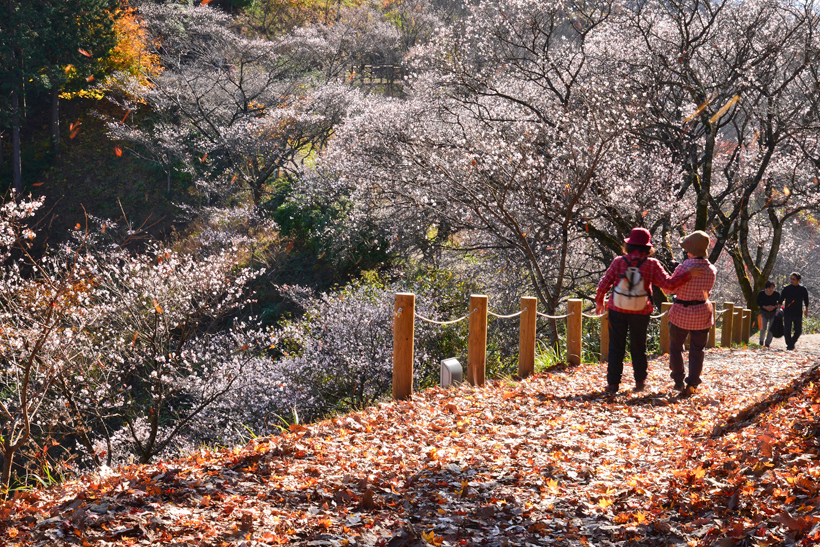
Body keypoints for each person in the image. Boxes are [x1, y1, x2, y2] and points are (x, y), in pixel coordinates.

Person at [595, 228, 694, 395]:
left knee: (615, 346)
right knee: (639, 346)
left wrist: (599, 302)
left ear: (628, 244)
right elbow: (668, 286)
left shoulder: (619, 261)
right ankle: (640, 382)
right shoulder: (652, 264)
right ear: (648, 247)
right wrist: (686, 275)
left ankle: (613, 385)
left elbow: (604, 283)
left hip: (617, 308)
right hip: (641, 310)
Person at [666, 231, 717, 397]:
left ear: (691, 250)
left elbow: (671, 288)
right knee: (697, 350)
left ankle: (678, 378)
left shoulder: (683, 268)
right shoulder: (712, 270)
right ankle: (693, 382)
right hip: (702, 313)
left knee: (676, 347)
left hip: (681, 312)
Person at [780, 272, 810, 351]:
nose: (791, 281)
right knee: (787, 330)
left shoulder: (803, 289)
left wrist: (806, 311)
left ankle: (791, 343)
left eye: (793, 279)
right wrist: (777, 309)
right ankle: (790, 345)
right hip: (788, 312)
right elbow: (781, 299)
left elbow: (806, 301)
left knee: (798, 331)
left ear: (798, 280)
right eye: (791, 279)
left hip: (798, 313)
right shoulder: (786, 289)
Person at [756, 281, 780, 348]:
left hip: (773, 313)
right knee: (763, 328)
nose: (771, 289)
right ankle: (761, 341)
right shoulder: (761, 293)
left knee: (771, 328)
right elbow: (758, 302)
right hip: (764, 312)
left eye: (773, 288)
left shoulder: (776, 294)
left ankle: (767, 343)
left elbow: (780, 302)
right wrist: (765, 307)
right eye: (770, 288)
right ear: (766, 288)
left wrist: (774, 307)